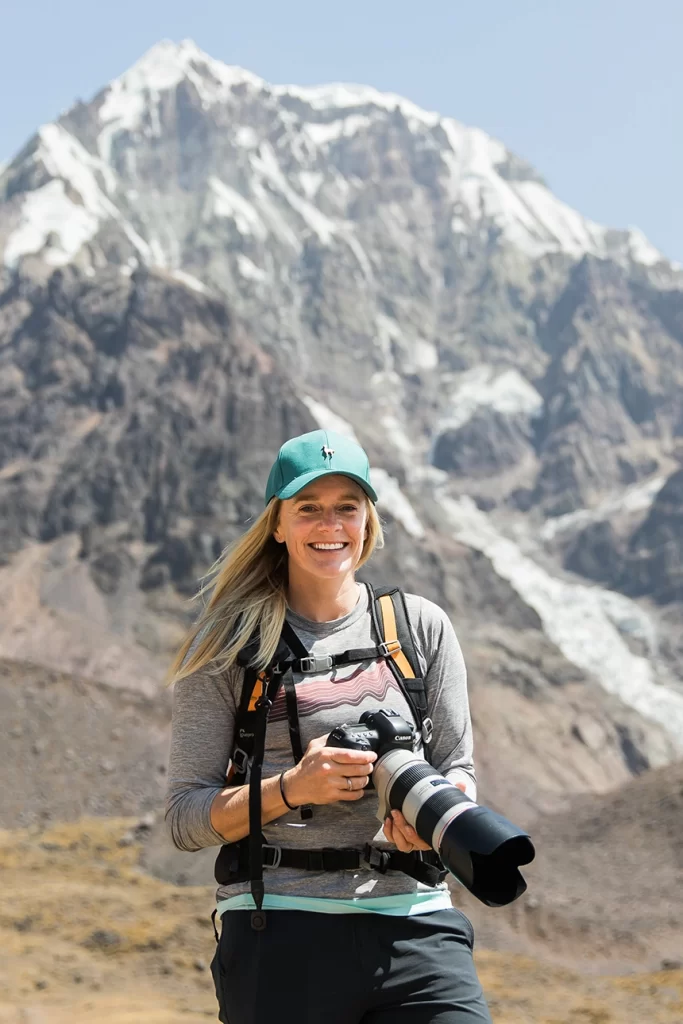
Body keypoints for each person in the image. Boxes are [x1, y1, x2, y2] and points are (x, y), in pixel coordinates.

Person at [166, 429, 493, 1023]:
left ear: (369, 519)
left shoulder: (420, 627)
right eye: (308, 508)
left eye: (348, 507)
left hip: (418, 926)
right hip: (279, 934)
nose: (331, 524)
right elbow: (185, 819)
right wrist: (293, 788)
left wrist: (434, 820)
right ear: (277, 524)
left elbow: (458, 768)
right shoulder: (228, 645)